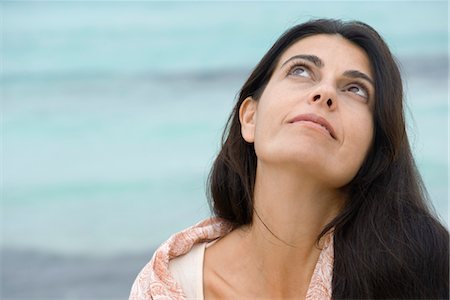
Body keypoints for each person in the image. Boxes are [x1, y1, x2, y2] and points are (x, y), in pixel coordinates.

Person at [129, 19, 449, 299]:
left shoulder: (422, 268)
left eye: (356, 89)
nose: (324, 94)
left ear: (374, 149)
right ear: (250, 118)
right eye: (301, 70)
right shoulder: (170, 285)